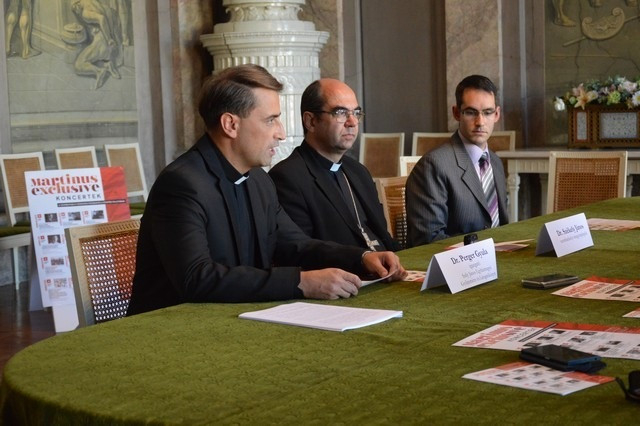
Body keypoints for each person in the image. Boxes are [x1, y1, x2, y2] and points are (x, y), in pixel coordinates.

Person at [127, 64, 406, 315]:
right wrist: (300, 282)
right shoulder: (182, 184)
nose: (281, 133)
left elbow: (295, 244)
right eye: (270, 120)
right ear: (231, 124)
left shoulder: (258, 180)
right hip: (170, 327)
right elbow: (196, 278)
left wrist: (361, 257)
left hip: (235, 317)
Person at [269, 79, 399, 252]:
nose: (352, 122)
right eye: (341, 113)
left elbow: (384, 236)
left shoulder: (359, 171)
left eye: (356, 113)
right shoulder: (288, 178)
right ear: (311, 121)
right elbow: (303, 252)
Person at [405, 74, 509, 247]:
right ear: (456, 113)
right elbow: (428, 240)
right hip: (455, 262)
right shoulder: (433, 165)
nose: (480, 122)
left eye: (487, 112)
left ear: (496, 114)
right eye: (471, 112)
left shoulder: (495, 162)